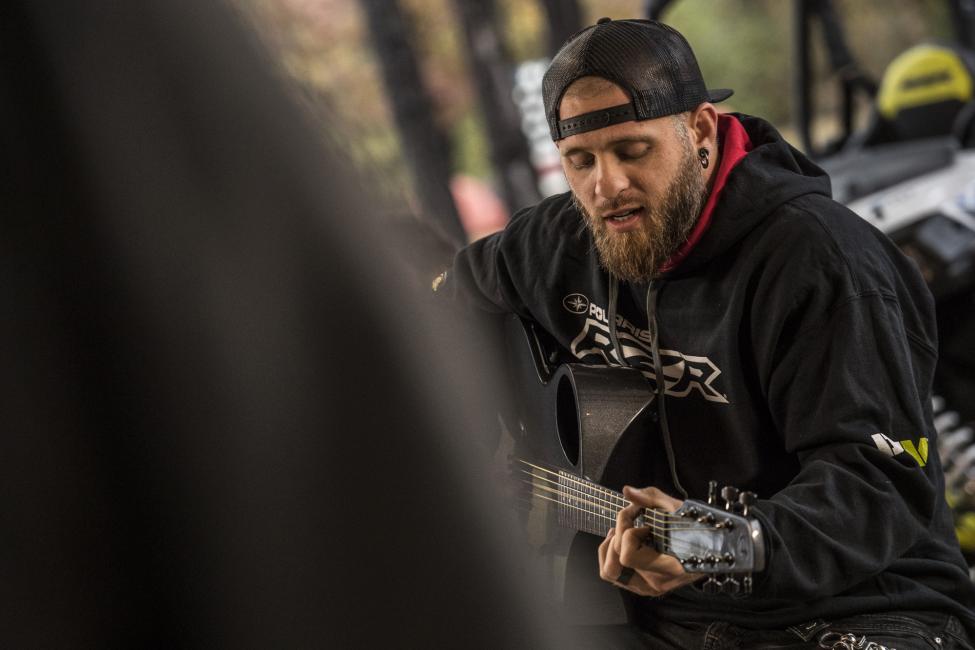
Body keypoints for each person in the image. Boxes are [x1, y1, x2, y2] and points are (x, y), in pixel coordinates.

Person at [435, 17, 975, 649]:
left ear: (699, 130)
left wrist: (710, 546)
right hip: (656, 618)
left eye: (632, 151)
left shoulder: (824, 263)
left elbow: (880, 482)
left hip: (860, 609)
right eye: (580, 161)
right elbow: (446, 303)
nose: (606, 186)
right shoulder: (560, 240)